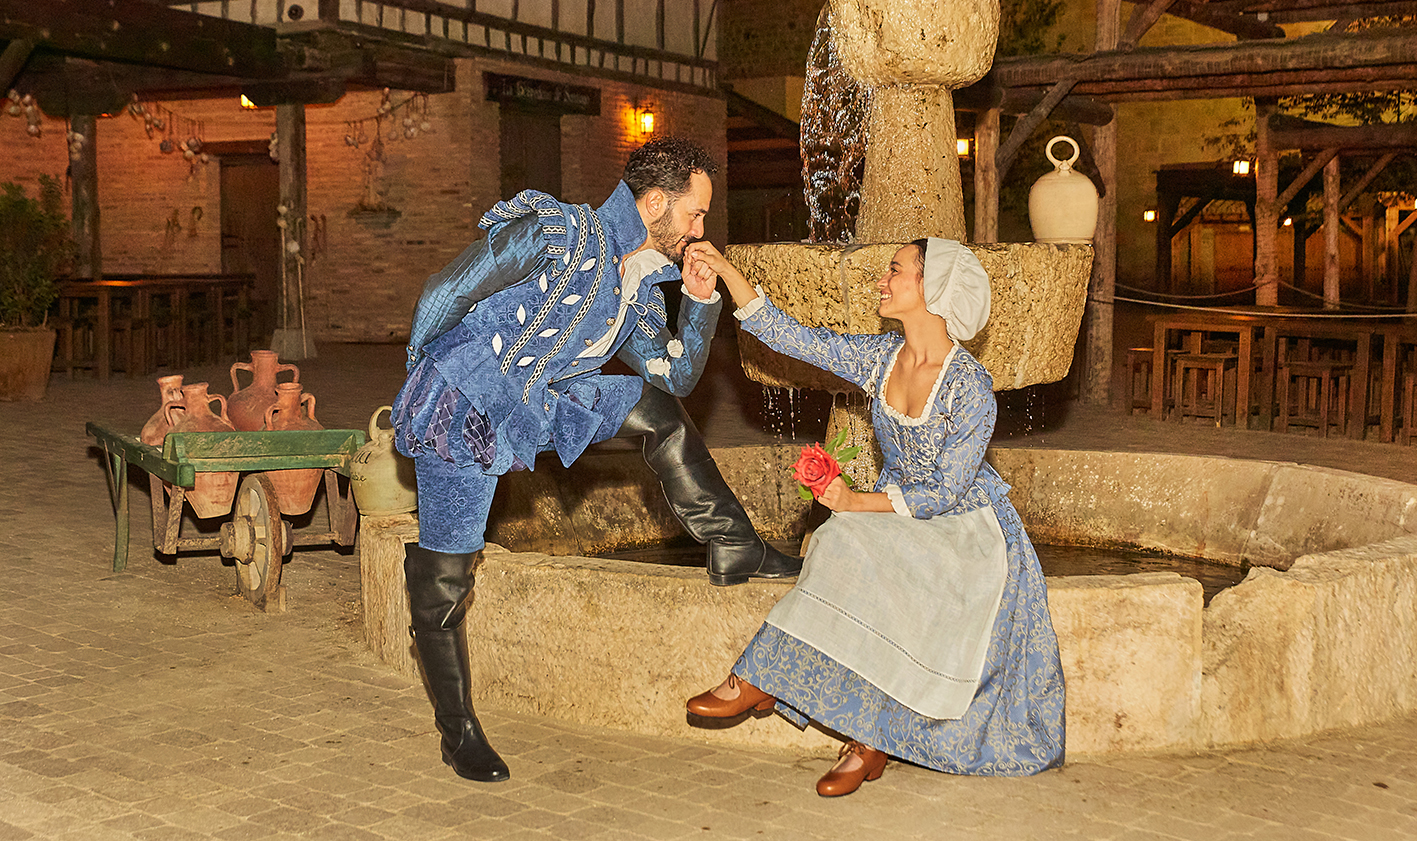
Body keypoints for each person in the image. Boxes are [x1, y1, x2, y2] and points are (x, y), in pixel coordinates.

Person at [391, 137, 803, 783]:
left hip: (543, 400)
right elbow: (444, 291)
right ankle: (458, 730)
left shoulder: (639, 280)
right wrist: (425, 373)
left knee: (655, 412)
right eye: (695, 214)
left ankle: (734, 544)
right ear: (656, 201)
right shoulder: (553, 231)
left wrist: (698, 303)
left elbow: (674, 378)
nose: (701, 229)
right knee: (447, 572)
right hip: (465, 403)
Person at [682, 237, 1065, 796]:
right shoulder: (881, 357)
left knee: (858, 540)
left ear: (932, 289)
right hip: (899, 508)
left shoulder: (971, 387)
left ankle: (864, 738)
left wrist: (855, 501)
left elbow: (944, 492)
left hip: (965, 528)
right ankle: (764, 679)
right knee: (839, 541)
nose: (882, 282)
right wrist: (727, 272)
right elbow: (793, 338)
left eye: (896, 270)